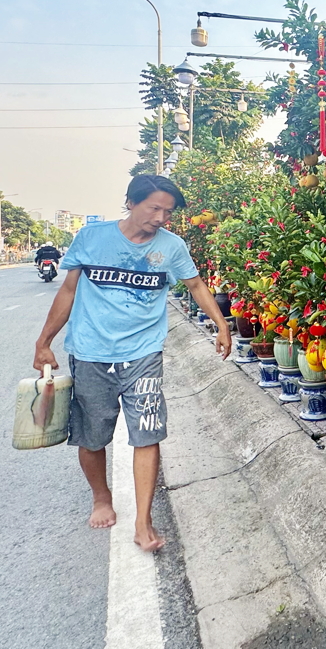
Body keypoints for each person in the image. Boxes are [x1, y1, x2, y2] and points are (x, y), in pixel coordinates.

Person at [31, 174, 231, 552]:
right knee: (92, 436)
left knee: (148, 432)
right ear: (130, 202)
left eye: (167, 212)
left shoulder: (172, 247)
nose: (160, 218)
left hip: (143, 353)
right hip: (91, 353)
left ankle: (143, 520)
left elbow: (196, 286)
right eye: (154, 208)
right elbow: (69, 290)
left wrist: (221, 324)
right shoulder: (91, 239)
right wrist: (44, 343)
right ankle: (101, 497)